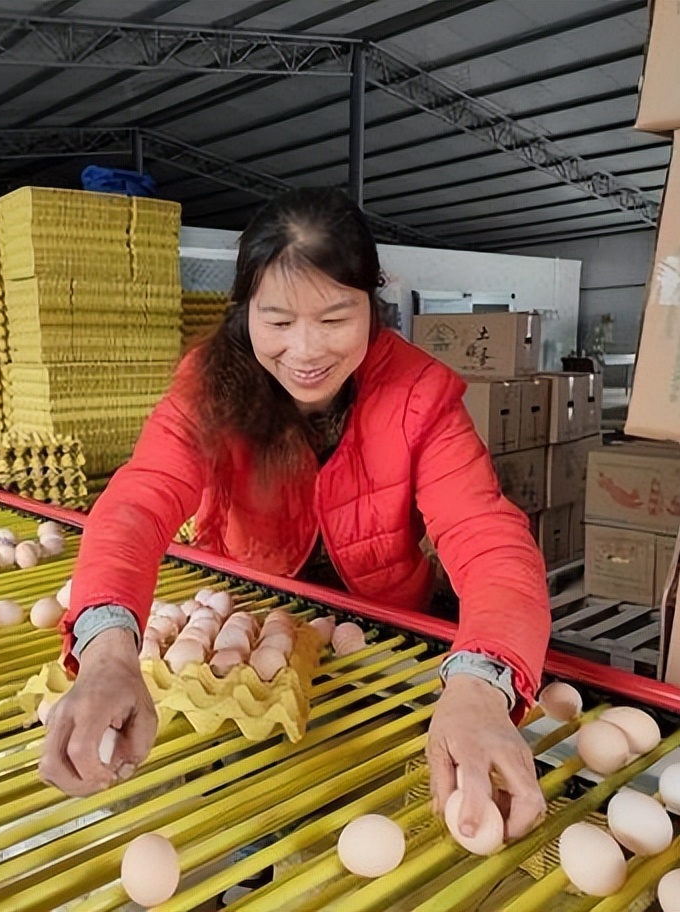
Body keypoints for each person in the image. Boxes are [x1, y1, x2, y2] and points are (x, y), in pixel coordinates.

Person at [40, 188, 551, 847]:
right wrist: (108, 648)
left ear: (373, 305)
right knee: (253, 802)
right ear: (245, 311)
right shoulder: (210, 384)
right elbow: (140, 500)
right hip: (253, 619)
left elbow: (486, 535)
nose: (306, 351)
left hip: (381, 633)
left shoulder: (420, 395)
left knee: (369, 810)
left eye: (334, 318)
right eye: (278, 322)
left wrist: (484, 683)